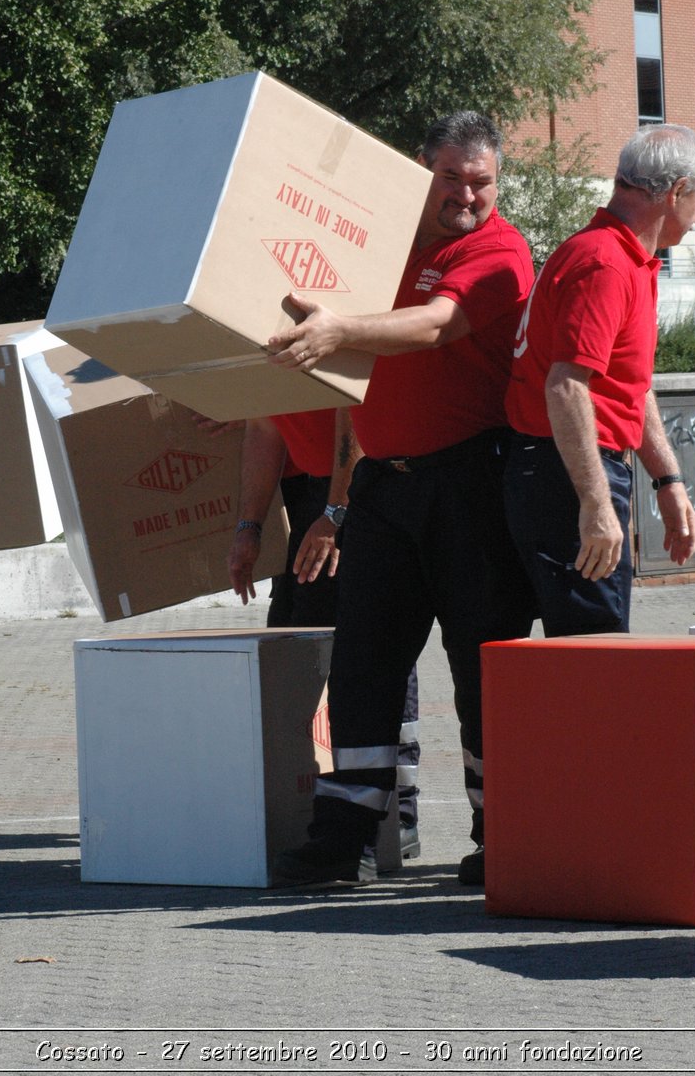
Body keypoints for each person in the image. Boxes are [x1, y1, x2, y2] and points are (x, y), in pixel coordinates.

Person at [266, 110, 537, 886]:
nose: (467, 195)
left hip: (471, 484)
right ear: (423, 171)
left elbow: (435, 326)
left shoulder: (501, 251)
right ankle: (341, 836)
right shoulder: (379, 241)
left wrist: (341, 327)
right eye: (451, 178)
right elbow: (357, 401)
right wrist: (342, 501)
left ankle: (504, 834)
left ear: (498, 180)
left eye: (481, 181)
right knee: (362, 663)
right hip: (385, 486)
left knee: (481, 664)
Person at [503, 123, 695, 635]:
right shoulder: (605, 263)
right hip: (564, 475)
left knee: (592, 650)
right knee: (593, 656)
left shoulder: (622, 257)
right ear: (677, 191)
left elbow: (630, 384)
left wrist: (668, 479)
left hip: (563, 470)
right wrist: (594, 503)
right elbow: (566, 385)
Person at [227, 408, 422, 860]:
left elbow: (351, 416)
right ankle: (320, 806)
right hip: (314, 489)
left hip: (368, 483)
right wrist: (249, 527)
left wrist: (335, 514)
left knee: (370, 645)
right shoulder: (264, 342)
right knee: (302, 648)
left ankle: (397, 814)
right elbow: (263, 424)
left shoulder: (313, 337)